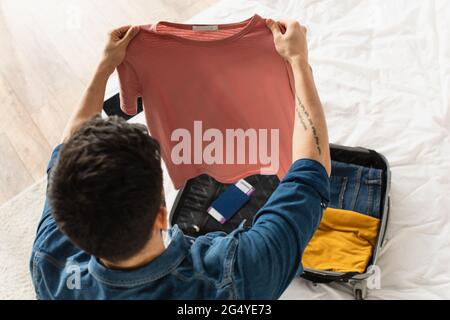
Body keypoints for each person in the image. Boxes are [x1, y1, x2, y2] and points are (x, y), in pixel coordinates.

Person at [30, 19, 331, 299]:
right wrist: (298, 61)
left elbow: (71, 145)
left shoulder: (51, 265)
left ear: (66, 226)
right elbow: (310, 173)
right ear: (163, 213)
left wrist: (105, 65)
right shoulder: (239, 273)